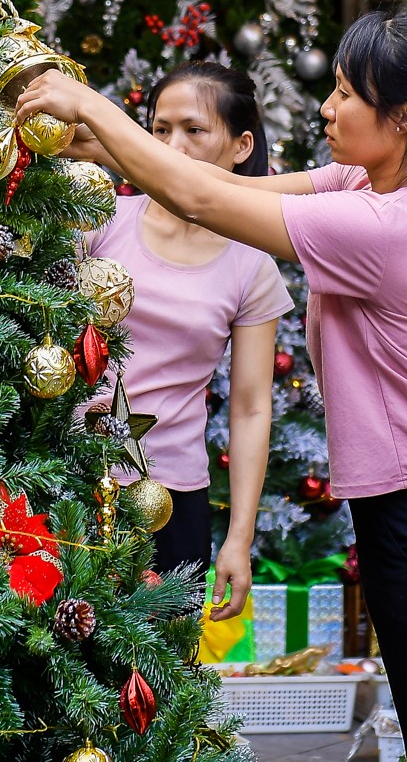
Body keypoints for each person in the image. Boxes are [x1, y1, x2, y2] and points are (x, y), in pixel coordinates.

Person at [18, 4, 407, 762]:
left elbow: (205, 201)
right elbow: (203, 178)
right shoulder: (371, 179)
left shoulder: (388, 228)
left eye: (347, 93)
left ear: (406, 118)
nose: (327, 108)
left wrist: (89, 101)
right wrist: (91, 138)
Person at [83, 62, 292, 619]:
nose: (173, 146)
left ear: (241, 145)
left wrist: (238, 539)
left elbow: (249, 408)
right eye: (159, 130)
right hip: (71, 482)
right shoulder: (103, 220)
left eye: (194, 130)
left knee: (159, 689)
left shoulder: (252, 265)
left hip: (173, 502)